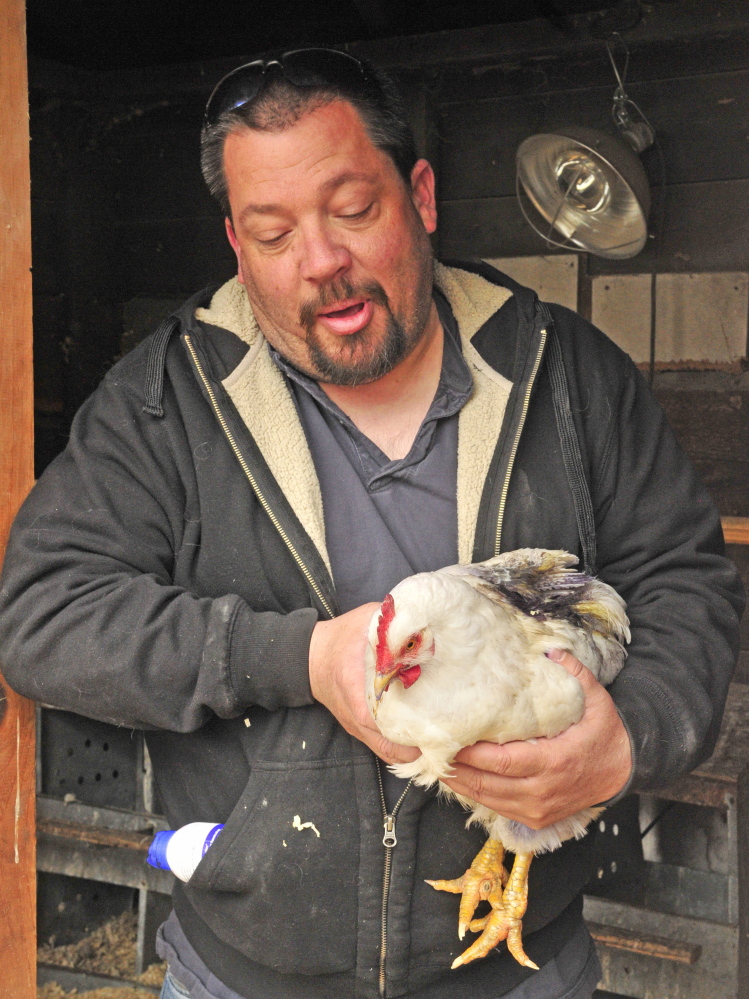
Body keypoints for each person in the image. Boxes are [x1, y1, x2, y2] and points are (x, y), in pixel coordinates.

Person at [0, 49, 743, 999]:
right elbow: (42, 617)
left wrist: (628, 736)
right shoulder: (165, 402)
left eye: (353, 210)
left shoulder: (566, 377)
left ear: (421, 196)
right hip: (243, 975)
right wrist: (296, 658)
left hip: (521, 971)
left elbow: (686, 581)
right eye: (272, 234)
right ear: (235, 244)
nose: (321, 261)